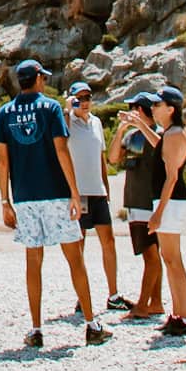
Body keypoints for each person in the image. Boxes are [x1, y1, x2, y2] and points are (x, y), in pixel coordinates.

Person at [0, 61, 109, 350]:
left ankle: (36, 329)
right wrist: (73, 191)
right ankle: (91, 324)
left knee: (33, 262)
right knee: (74, 258)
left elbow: (3, 160)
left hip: (25, 196)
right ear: (39, 80)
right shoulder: (51, 108)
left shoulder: (4, 113)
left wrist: (5, 200)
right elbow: (61, 149)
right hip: (56, 192)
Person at [63, 81, 127, 313]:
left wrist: (106, 185)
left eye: (88, 97)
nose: (85, 102)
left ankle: (113, 293)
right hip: (78, 193)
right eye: (79, 98)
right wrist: (68, 109)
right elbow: (62, 135)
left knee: (108, 241)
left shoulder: (97, 123)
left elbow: (100, 157)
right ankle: (83, 296)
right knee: (79, 244)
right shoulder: (68, 121)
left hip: (97, 190)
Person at [145, 87, 186, 340]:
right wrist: (141, 126)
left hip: (171, 200)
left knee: (173, 260)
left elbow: (172, 176)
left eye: (158, 105)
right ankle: (178, 314)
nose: (154, 109)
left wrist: (158, 212)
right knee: (169, 258)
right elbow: (160, 149)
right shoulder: (169, 134)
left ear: (171, 109)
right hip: (168, 200)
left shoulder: (175, 134)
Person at [115, 92, 166, 320]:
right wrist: (121, 130)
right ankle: (155, 302)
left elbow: (160, 147)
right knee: (152, 255)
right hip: (136, 201)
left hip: (150, 202)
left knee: (151, 257)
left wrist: (140, 125)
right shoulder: (133, 136)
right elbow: (114, 158)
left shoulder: (160, 134)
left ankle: (143, 305)